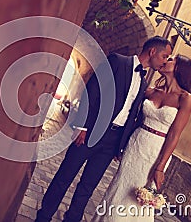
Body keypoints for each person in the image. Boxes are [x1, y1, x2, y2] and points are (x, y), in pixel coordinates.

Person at [35, 36, 172, 222]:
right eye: (165, 56)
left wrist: (120, 145)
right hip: (90, 132)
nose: (165, 61)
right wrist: (82, 126)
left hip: (112, 142)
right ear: (153, 51)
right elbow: (92, 90)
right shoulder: (117, 61)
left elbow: (133, 114)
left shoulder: (143, 82)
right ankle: (43, 217)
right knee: (64, 178)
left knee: (87, 188)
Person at [92, 54, 191, 222]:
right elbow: (129, 108)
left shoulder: (185, 98)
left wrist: (160, 167)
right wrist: (121, 144)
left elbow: (174, 135)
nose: (164, 61)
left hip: (156, 153)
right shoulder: (151, 91)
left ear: (178, 68)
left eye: (170, 59)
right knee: (120, 188)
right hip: (136, 143)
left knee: (140, 200)